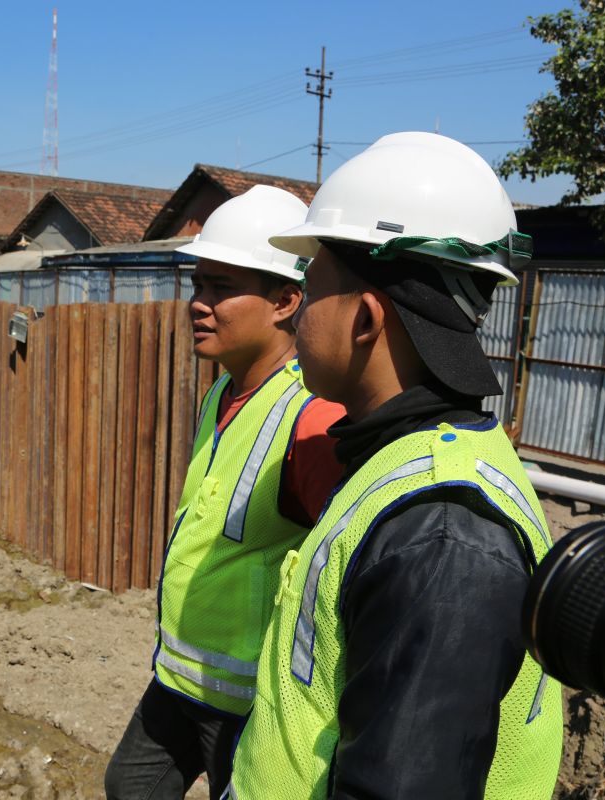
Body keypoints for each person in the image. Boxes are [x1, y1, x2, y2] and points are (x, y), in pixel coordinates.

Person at [225, 132, 563, 800]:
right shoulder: (400, 464)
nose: (295, 316)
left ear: (366, 319)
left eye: (311, 286)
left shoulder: (442, 536)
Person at [105, 186, 346, 799]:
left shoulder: (311, 419)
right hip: (182, 676)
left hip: (247, 702)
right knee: (129, 788)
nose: (198, 304)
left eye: (220, 288)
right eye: (197, 285)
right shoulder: (224, 392)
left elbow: (344, 575)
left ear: (286, 301)